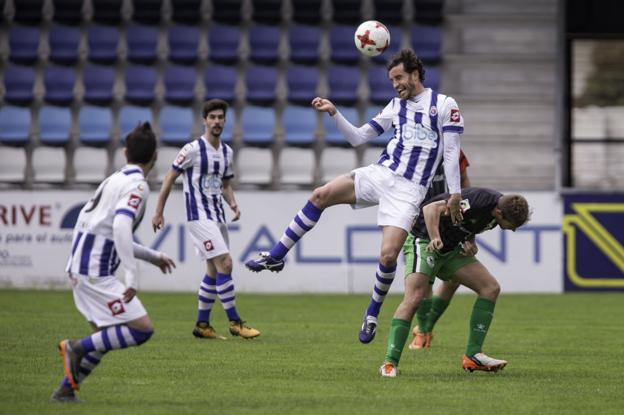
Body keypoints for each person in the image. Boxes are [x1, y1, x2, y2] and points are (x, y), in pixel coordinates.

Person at [245, 48, 465, 344]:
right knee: (320, 195)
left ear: (415, 74)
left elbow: (451, 152)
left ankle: (372, 312)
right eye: (391, 80)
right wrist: (335, 113)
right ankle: (276, 255)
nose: (395, 84)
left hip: (409, 190)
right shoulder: (393, 106)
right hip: (381, 174)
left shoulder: (444, 105)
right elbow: (358, 137)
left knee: (388, 255)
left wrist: (455, 193)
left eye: (399, 77)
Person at [52, 122, 176, 402]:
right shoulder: (137, 185)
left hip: (81, 268)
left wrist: (152, 256)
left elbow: (113, 234)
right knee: (141, 329)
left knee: (109, 335)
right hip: (95, 272)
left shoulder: (114, 179)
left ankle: (65, 391)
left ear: (124, 153)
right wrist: (132, 276)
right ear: (155, 157)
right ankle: (75, 347)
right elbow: (121, 226)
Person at [378, 187, 530, 377]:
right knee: (414, 298)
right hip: (424, 241)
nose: (513, 229)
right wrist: (435, 237)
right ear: (499, 213)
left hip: (450, 250)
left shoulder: (497, 212)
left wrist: (470, 243)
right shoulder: (476, 202)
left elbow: (469, 225)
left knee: (490, 288)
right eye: (512, 224)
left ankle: (473, 355)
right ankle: (389, 363)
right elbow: (430, 209)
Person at [151, 99, 260, 340]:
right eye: (212, 117)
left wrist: (232, 203)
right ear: (204, 120)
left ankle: (202, 325)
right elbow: (169, 178)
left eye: (221, 117)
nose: (217, 121)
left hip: (218, 217)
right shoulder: (191, 150)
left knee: (213, 271)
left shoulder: (226, 152)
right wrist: (159, 211)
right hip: (198, 217)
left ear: (225, 120)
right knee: (226, 264)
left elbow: (225, 184)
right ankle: (235, 322)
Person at [409, 149, 471, 350]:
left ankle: (424, 328)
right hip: (418, 220)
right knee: (424, 278)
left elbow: (464, 181)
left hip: (449, 220)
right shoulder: (413, 149)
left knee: (454, 279)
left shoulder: (455, 152)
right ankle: (423, 334)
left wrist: (466, 211)